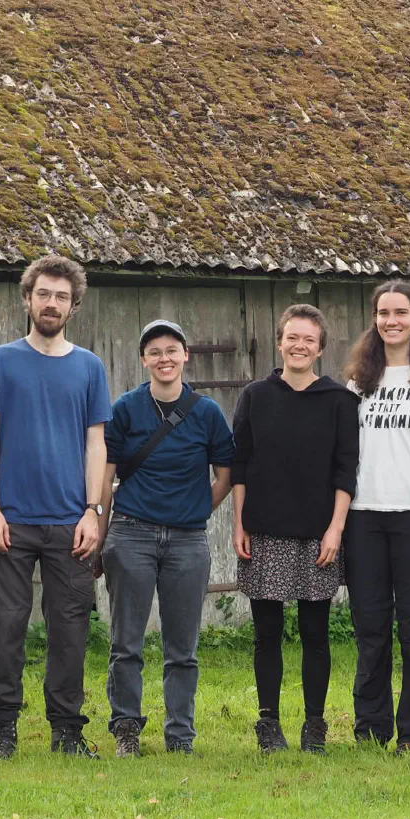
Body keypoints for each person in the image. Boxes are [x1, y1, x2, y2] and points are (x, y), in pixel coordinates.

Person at [0, 254, 113, 760]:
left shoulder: (89, 367)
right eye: (43, 294)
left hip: (70, 523)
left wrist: (93, 512)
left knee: (70, 630)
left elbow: (97, 444)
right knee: (6, 628)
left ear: (72, 305)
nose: (51, 303)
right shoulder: (0, 361)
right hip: (10, 521)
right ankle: (2, 729)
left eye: (61, 296)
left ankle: (68, 732)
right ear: (27, 298)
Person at [101, 318, 236, 757]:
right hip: (132, 533)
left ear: (185, 357)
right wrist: (101, 529)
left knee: (183, 647)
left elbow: (226, 473)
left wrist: (199, 509)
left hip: (187, 541)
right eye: (155, 351)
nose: (164, 358)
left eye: (171, 350)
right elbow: (105, 474)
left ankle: (180, 735)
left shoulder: (207, 412)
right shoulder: (125, 408)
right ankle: (126, 730)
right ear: (144, 359)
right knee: (127, 643)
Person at [230, 303, 357, 754]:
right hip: (263, 530)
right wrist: (238, 522)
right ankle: (269, 724)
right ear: (279, 341)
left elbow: (346, 471)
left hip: (317, 534)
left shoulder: (340, 401)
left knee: (314, 633)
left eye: (309, 339)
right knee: (266, 632)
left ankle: (315, 726)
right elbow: (239, 463)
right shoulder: (255, 396)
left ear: (320, 348)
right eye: (292, 337)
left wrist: (336, 530)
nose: (299, 346)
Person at [342, 280, 410, 752]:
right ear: (375, 319)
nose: (391, 320)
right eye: (383, 312)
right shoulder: (358, 383)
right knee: (370, 628)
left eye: (400, 312)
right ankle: (370, 729)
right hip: (364, 518)